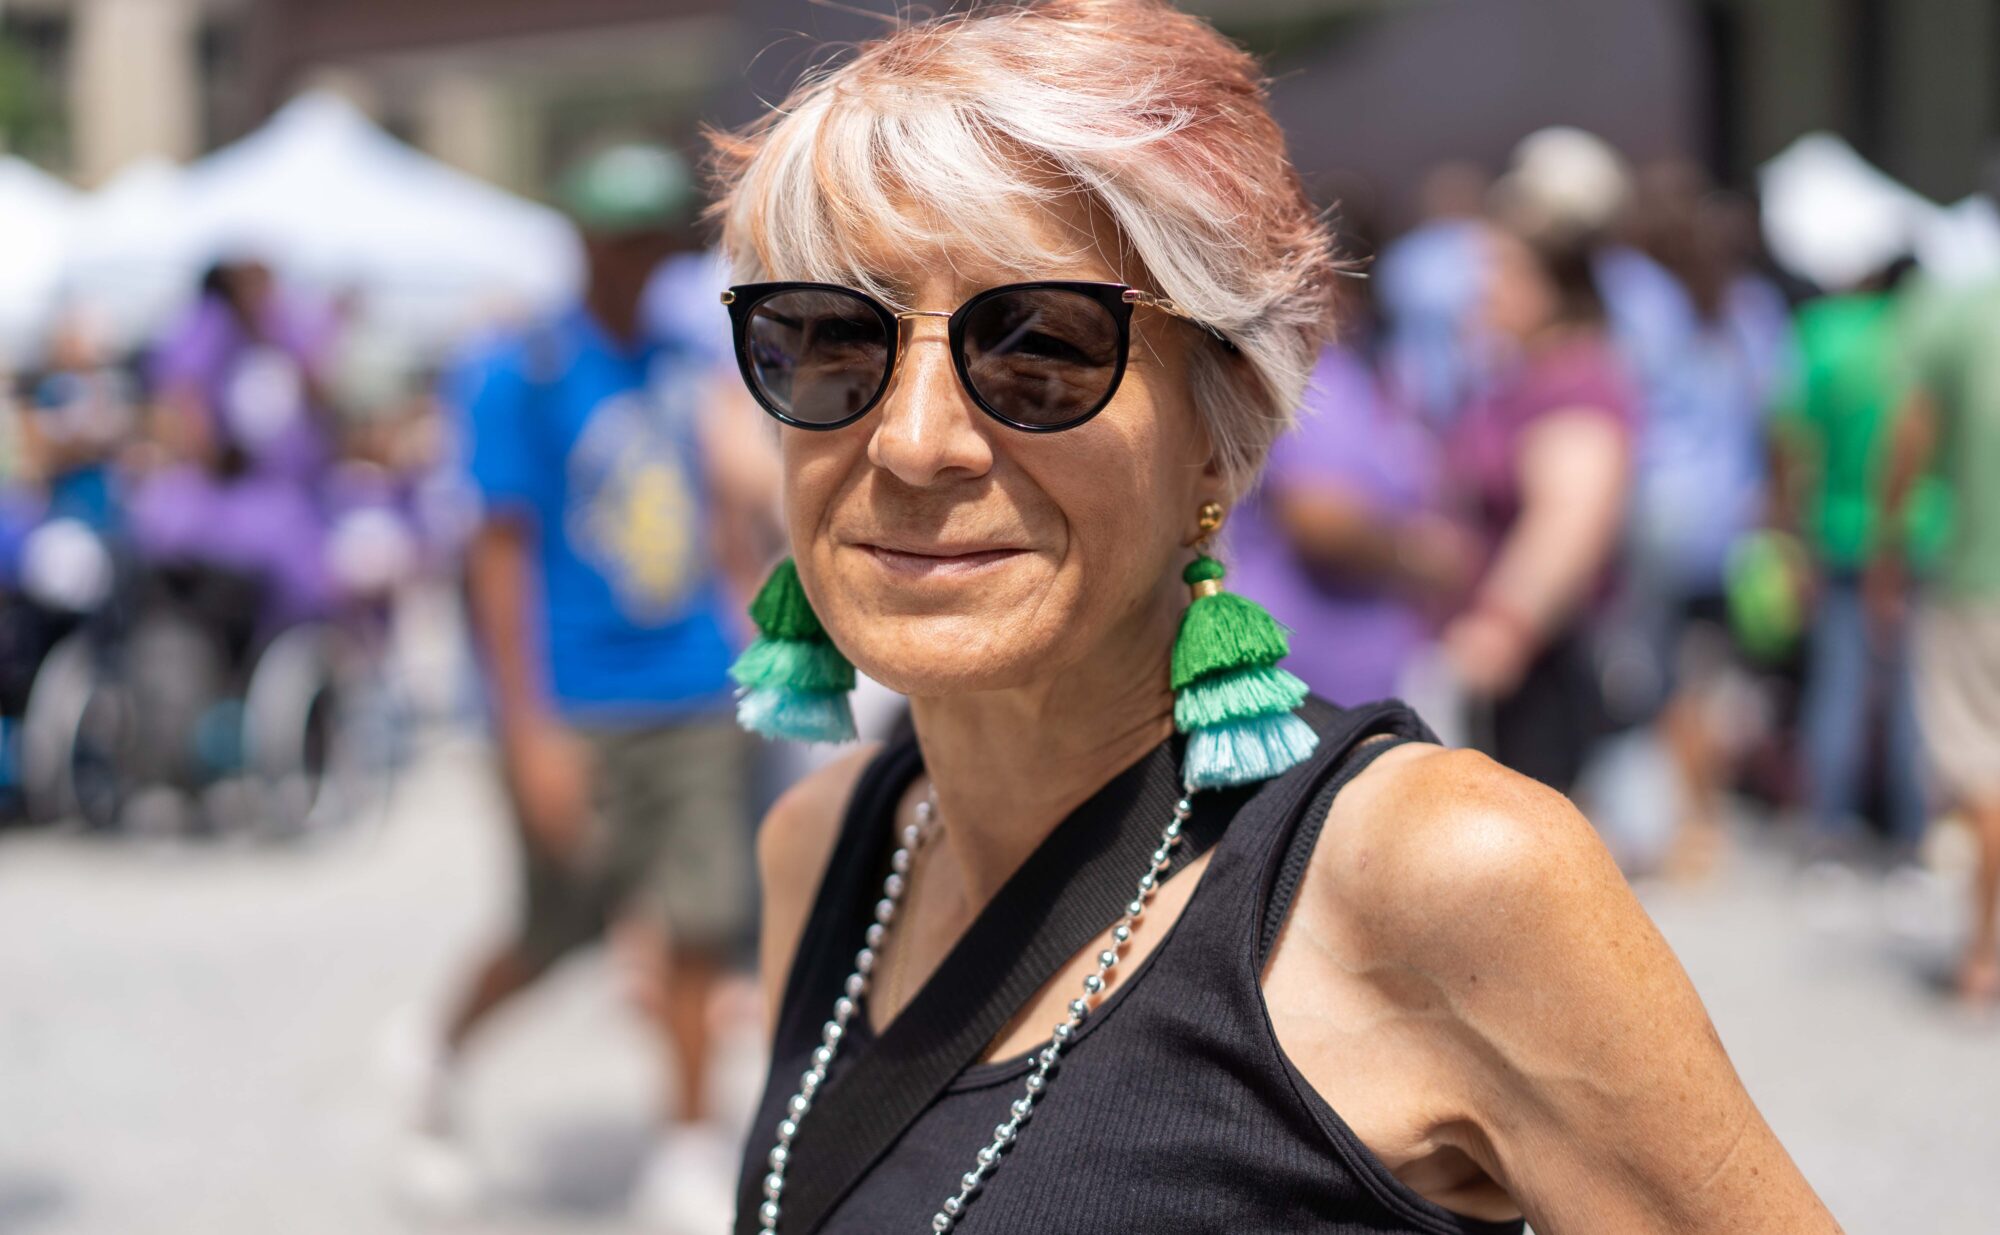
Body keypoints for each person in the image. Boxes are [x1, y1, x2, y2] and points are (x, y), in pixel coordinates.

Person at [709, 3, 1840, 1232]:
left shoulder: (1438, 879)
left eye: (1037, 346)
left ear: (1221, 421)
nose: (913, 440)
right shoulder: (824, 848)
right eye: (823, 337)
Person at [415, 141, 761, 1227]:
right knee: (553, 928)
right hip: (573, 693)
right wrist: (526, 726)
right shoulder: (519, 367)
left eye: (650, 234)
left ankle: (687, 1143)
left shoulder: (681, 359)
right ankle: (437, 1055)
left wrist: (755, 624)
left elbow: (728, 511)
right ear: (577, 238)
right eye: (615, 233)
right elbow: (497, 555)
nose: (633, 254)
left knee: (703, 915)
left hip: (692, 681)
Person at [1440, 218, 1636, 795]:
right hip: (1516, 651)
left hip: (1544, 652)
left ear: (1554, 287)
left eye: (1504, 272)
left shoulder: (1573, 382)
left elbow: (1570, 520)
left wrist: (1507, 625)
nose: (1487, 289)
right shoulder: (1523, 376)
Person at [1769, 261, 1939, 870]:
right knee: (1915, 693)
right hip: (1919, 534)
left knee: (1837, 686)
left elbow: (1791, 436)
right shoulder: (1925, 331)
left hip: (1839, 532)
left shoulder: (1823, 332)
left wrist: (1787, 527)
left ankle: (1828, 832)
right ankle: (1913, 835)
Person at [1885, 276, 2000, 1004]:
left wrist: (1888, 545)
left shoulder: (1965, 310)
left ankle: (1985, 951)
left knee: (1985, 772)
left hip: (1976, 581)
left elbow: (1911, 435)